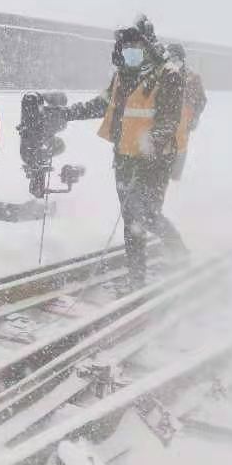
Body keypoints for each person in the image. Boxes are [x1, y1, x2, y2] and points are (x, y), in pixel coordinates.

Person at [61, 16, 188, 290]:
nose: (130, 51)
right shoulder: (122, 77)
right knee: (131, 217)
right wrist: (67, 114)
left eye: (135, 45)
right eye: (126, 46)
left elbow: (169, 120)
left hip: (155, 160)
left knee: (148, 214)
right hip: (124, 158)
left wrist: (151, 142)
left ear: (147, 46)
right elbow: (102, 105)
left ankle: (178, 252)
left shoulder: (168, 75)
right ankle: (136, 277)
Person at [165, 42, 207, 181]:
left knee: (179, 153)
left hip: (183, 126)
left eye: (175, 58)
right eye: (169, 58)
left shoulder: (193, 78)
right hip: (163, 126)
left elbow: (201, 100)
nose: (172, 61)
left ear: (182, 59)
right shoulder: (162, 76)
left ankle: (175, 181)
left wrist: (194, 117)